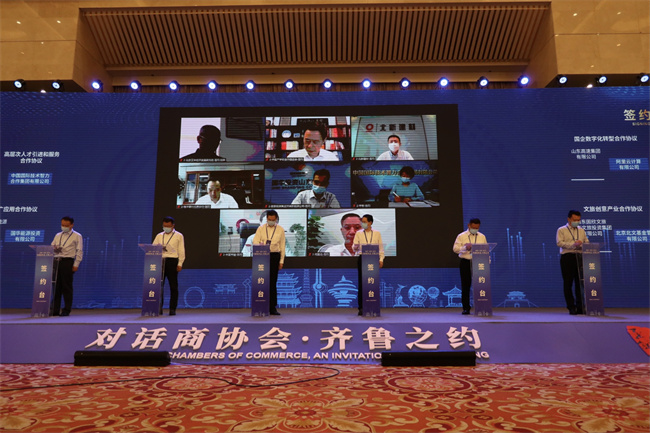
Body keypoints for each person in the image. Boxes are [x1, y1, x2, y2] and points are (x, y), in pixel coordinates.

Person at [252, 209, 285, 315]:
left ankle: (272, 307)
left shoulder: (280, 229)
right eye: (269, 219)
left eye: (273, 220)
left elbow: (282, 246)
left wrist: (281, 261)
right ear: (266, 219)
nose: (271, 221)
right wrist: (261, 244)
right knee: (262, 282)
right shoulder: (261, 228)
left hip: (275, 256)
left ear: (276, 219)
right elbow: (255, 241)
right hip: (262, 256)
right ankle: (261, 306)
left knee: (272, 282)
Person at [556, 210, 590, 315]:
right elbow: (559, 243)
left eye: (578, 220)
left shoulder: (581, 230)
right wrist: (573, 244)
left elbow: (587, 242)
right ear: (569, 219)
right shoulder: (561, 229)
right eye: (575, 220)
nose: (577, 222)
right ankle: (571, 306)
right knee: (568, 283)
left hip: (579, 256)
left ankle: (580, 307)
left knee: (580, 283)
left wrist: (582, 244)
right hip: (567, 257)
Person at [452, 218, 487, 315]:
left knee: (480, 285)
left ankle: (481, 307)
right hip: (466, 261)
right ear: (469, 225)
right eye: (473, 227)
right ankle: (466, 308)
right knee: (466, 285)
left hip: (479, 262)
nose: (475, 229)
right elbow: (455, 249)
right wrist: (465, 247)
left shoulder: (482, 236)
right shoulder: (461, 236)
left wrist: (487, 260)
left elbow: (486, 249)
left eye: (477, 228)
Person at [153, 216, 186, 315]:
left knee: (173, 286)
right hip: (160, 261)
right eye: (164, 226)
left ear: (173, 226)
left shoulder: (179, 235)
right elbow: (152, 247)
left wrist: (180, 263)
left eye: (168, 226)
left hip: (172, 261)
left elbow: (181, 250)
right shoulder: (159, 235)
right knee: (159, 286)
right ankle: (158, 307)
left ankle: (172, 308)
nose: (166, 228)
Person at [50, 216, 83, 316]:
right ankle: (55, 309)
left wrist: (76, 264)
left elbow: (79, 251)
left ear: (71, 225)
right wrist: (54, 248)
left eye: (66, 225)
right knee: (56, 287)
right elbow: (51, 246)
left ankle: (66, 309)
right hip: (56, 261)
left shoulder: (77, 236)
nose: (63, 227)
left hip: (67, 262)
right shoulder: (58, 235)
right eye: (62, 225)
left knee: (66, 287)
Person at [353, 214, 385, 316]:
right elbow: (354, 247)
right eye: (362, 222)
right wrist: (355, 247)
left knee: (372, 283)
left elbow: (381, 249)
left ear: (370, 223)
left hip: (373, 259)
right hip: (362, 258)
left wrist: (381, 259)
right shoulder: (358, 233)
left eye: (364, 222)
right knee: (362, 283)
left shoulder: (377, 233)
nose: (363, 223)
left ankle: (373, 306)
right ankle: (361, 308)